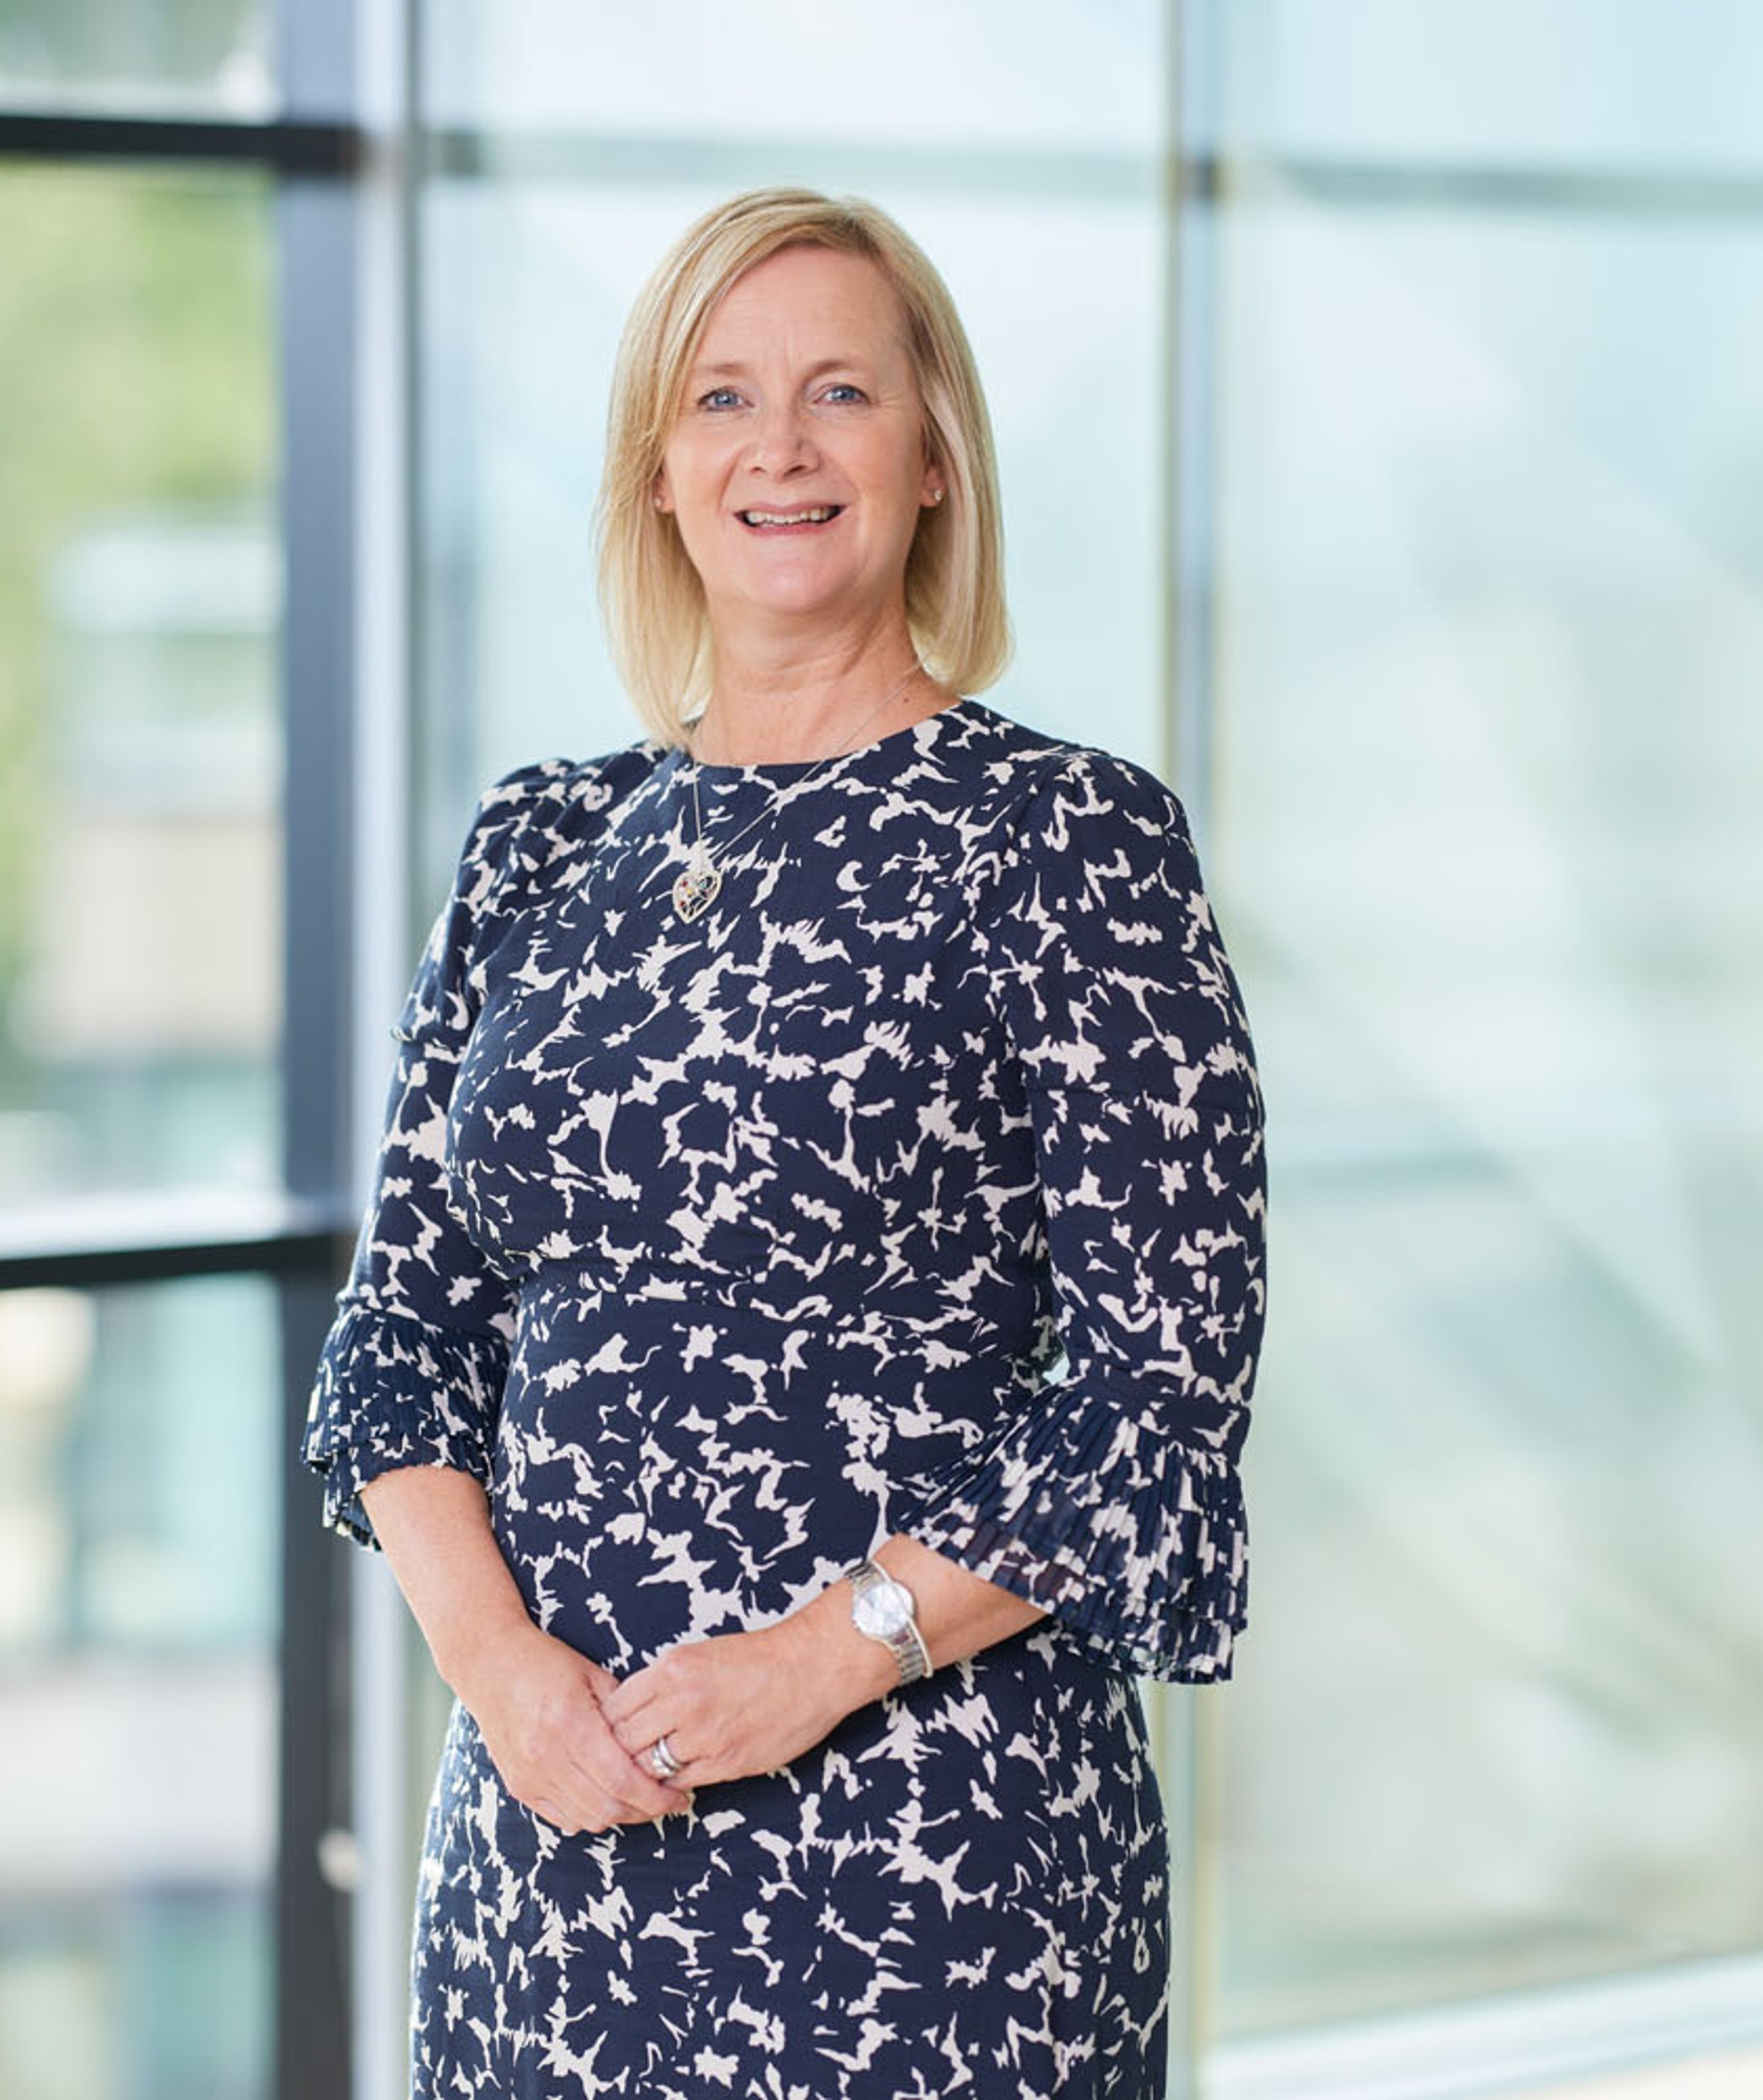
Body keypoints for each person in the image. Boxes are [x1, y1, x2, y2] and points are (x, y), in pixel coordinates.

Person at [301, 186, 1267, 2099]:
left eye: (841, 392)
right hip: (548, 1846)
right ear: (659, 472)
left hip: (929, 1847)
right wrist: (503, 1677)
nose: (783, 447)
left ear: (931, 460)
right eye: (725, 398)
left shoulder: (1063, 841)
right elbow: (402, 1327)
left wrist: (820, 1663)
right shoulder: (543, 845)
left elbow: (1160, 1393)